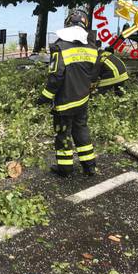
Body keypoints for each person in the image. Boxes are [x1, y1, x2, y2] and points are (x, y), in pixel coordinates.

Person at [36, 9, 98, 177]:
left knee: (62, 133)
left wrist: (44, 98)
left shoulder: (60, 46)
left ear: (68, 23)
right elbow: (92, 75)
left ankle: (65, 168)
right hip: (82, 99)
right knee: (81, 130)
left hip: (64, 101)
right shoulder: (92, 47)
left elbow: (56, 76)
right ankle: (89, 166)